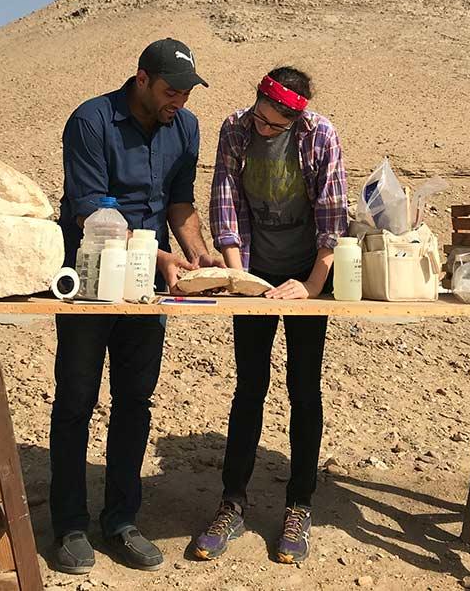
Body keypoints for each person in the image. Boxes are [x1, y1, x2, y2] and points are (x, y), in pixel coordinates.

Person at [50, 38, 222, 575]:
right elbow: (88, 214)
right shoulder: (90, 122)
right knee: (77, 400)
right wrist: (158, 259)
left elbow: (179, 202)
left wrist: (199, 256)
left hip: (150, 286)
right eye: (172, 91)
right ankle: (70, 524)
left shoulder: (185, 128)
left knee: (134, 401)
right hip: (92, 278)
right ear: (141, 79)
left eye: (188, 94)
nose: (180, 103)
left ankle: (121, 520)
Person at [195, 67, 348, 564]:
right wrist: (243, 279)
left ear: (294, 119)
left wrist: (309, 286)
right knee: (249, 385)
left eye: (274, 126)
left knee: (305, 388)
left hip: (306, 276)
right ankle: (232, 503)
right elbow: (226, 201)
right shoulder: (235, 128)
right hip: (255, 272)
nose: (263, 129)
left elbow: (332, 216)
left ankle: (299, 505)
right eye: (260, 118)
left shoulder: (319, 134)